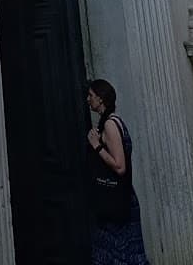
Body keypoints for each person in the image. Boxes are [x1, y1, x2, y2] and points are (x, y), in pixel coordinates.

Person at [85, 79, 149, 265]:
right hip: (120, 199)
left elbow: (120, 166)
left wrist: (97, 146)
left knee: (120, 254)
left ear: (101, 98)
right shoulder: (112, 122)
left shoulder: (111, 125)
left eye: (91, 95)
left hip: (116, 201)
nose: (88, 99)